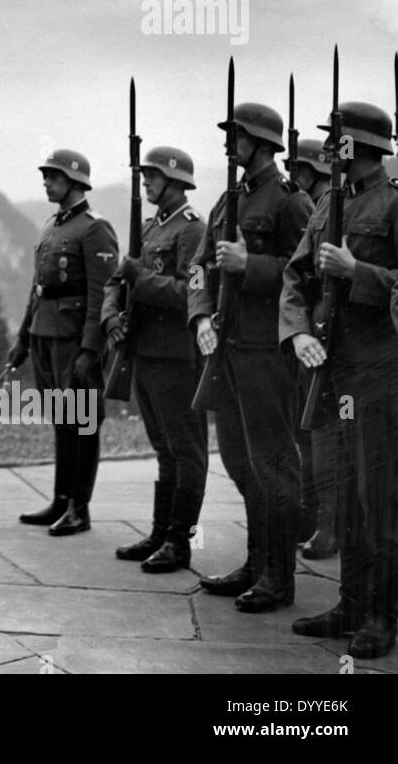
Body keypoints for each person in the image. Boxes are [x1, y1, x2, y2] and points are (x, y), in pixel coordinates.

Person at [283, 102, 398, 658]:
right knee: (348, 492)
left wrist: (361, 273)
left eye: (337, 140)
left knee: (379, 496)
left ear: (359, 144)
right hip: (337, 370)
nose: (330, 147)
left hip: (383, 369)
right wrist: (298, 331)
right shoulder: (329, 201)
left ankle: (382, 615)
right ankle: (351, 604)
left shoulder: (395, 199)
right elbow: (295, 276)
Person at [189, 102, 311, 613]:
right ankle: (257, 562)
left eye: (237, 133)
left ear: (263, 143)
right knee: (240, 462)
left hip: (267, 351)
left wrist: (250, 263)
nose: (228, 140)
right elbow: (198, 266)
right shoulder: (227, 200)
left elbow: (304, 273)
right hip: (228, 349)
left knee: (273, 463)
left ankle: (279, 577)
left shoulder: (292, 202)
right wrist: (198, 317)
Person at [101, 147, 207, 572]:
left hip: (176, 355)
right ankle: (161, 532)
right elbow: (116, 281)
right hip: (143, 352)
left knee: (186, 450)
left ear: (175, 181)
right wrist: (110, 318)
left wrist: (138, 277)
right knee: (164, 448)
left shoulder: (192, 230)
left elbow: (190, 292)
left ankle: (180, 541)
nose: (146, 181)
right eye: (144, 175)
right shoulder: (149, 228)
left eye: (153, 175)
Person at [9, 150, 118, 536]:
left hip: (73, 339)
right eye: (46, 176)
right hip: (44, 335)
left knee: (83, 421)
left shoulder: (94, 228)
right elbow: (37, 289)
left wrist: (92, 349)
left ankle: (79, 508)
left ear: (74, 182)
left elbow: (102, 293)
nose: (46, 182)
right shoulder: (52, 225)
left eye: (53, 176)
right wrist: (23, 338)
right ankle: (61, 498)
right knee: (62, 419)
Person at [288, 139, 338, 561]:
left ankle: (331, 524)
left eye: (300, 168)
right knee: (316, 439)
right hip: (314, 336)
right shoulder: (319, 209)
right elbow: (296, 271)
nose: (294, 174)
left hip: (361, 345)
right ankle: (323, 522)